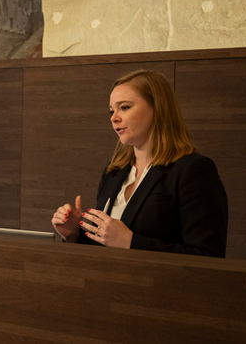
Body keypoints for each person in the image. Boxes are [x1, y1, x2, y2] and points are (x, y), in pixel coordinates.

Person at [51, 70, 228, 257]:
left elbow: (208, 256)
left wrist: (131, 242)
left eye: (124, 107)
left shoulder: (194, 170)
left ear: (158, 108)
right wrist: (74, 234)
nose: (114, 118)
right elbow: (105, 247)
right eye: (112, 111)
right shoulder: (114, 172)